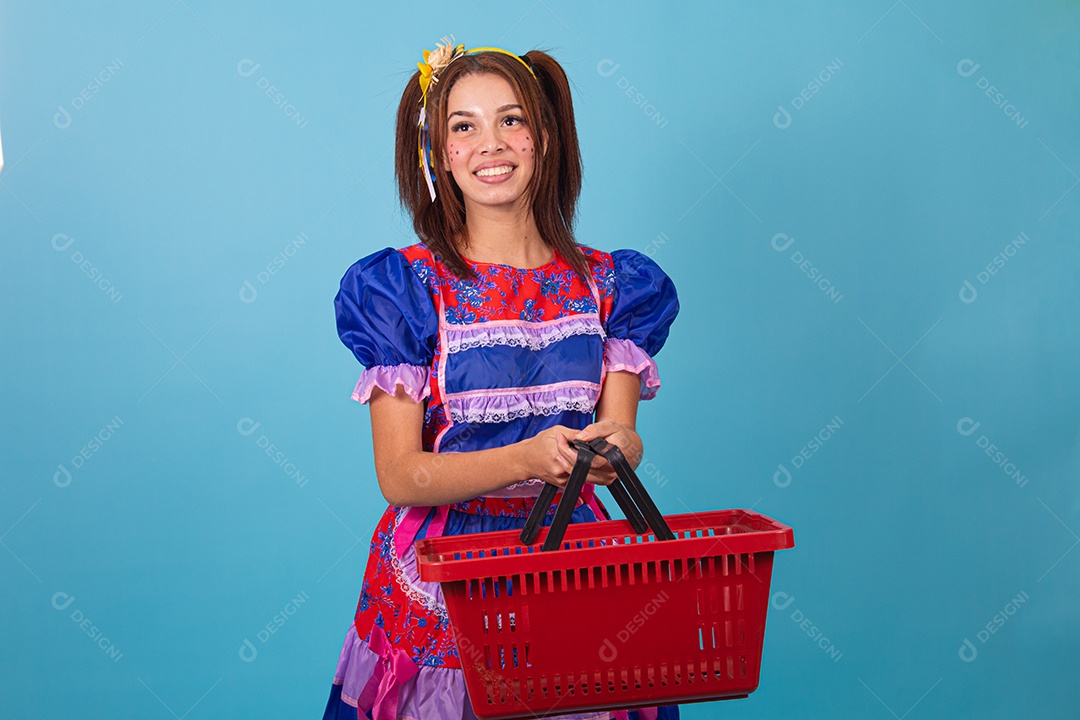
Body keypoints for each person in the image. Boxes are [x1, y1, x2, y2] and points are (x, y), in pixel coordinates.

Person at [320, 36, 680, 720]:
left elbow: (623, 435)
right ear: (439, 153)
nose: (492, 144)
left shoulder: (613, 286)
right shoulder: (404, 288)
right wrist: (527, 458)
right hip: (442, 579)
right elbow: (400, 475)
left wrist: (617, 451)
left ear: (544, 137)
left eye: (511, 119)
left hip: (573, 561)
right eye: (464, 126)